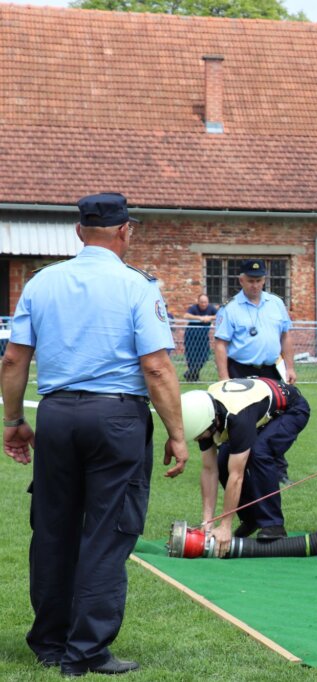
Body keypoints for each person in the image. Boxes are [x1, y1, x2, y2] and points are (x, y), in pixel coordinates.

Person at [1, 193, 189, 676]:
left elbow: (14, 359)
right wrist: (177, 432)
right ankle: (86, 651)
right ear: (126, 230)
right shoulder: (137, 286)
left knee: (53, 530)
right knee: (107, 531)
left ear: (79, 231)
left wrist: (14, 421)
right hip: (116, 417)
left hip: (57, 414)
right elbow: (156, 367)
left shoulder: (42, 282)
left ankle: (50, 642)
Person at [180, 376, 310, 551]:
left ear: (212, 423)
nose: (198, 440)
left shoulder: (237, 417)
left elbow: (237, 476)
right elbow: (209, 470)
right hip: (254, 412)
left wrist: (225, 526)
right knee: (223, 460)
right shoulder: (204, 414)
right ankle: (251, 518)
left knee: (259, 453)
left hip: (291, 410)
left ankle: (273, 524)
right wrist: (207, 521)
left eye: (200, 436)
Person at [214, 258, 295, 484]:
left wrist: (290, 367)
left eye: (259, 281)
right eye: (250, 281)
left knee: (276, 419)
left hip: (270, 370)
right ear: (241, 280)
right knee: (238, 420)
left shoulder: (276, 303)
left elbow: (286, 336)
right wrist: (224, 378)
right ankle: (232, 465)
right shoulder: (230, 308)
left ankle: (277, 467)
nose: (255, 285)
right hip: (240, 370)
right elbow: (220, 344)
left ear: (264, 280)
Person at [183, 293, 218, 382]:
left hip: (203, 337)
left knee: (204, 356)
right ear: (198, 302)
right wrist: (200, 318)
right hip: (191, 336)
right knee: (191, 357)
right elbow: (186, 316)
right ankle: (194, 377)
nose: (203, 304)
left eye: (205, 302)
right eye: (202, 302)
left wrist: (209, 317)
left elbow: (220, 315)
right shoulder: (194, 308)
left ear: (208, 302)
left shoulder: (211, 308)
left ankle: (189, 374)